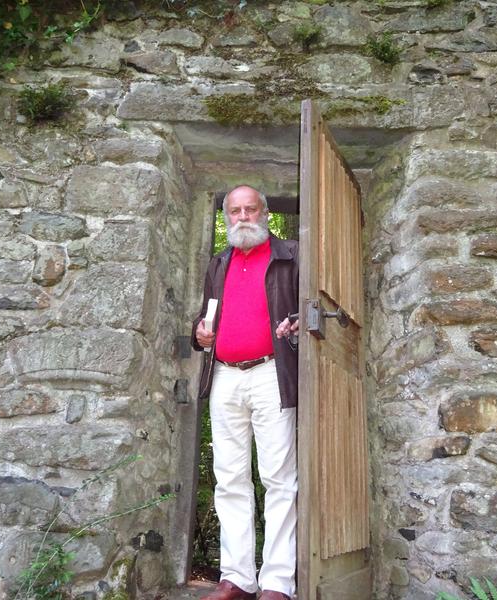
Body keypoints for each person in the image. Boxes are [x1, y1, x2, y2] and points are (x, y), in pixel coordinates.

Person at [191, 185, 299, 600]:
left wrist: (293, 325)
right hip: (224, 376)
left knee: (278, 479)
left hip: (272, 374)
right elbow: (205, 322)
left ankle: (276, 582)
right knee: (229, 478)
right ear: (225, 219)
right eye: (233, 211)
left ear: (265, 214)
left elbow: (308, 306)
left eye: (249, 209)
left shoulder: (290, 255)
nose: (241, 217)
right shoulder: (219, 262)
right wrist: (200, 334)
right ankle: (236, 577)